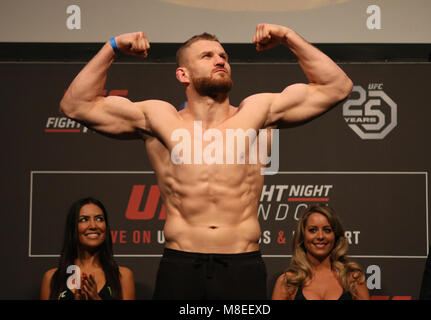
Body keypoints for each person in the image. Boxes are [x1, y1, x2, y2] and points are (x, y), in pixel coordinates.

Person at [59, 23, 353, 299]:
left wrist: (288, 37)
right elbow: (75, 105)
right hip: (181, 266)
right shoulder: (159, 118)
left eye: (223, 56)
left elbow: (337, 87)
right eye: (207, 55)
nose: (220, 60)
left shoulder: (258, 112)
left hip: (242, 265)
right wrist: (113, 46)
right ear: (183, 74)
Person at [40, 197, 135, 300]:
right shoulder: (51, 278)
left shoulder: (123, 276)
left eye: (99, 219)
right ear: (73, 227)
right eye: (84, 220)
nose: (93, 225)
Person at [272, 205, 370, 300]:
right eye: (313, 230)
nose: (320, 236)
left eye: (327, 230)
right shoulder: (288, 282)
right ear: (303, 236)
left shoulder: (353, 279)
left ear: (335, 235)